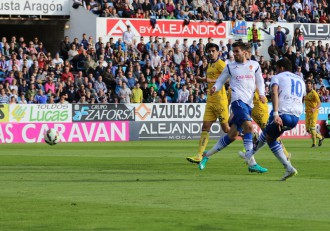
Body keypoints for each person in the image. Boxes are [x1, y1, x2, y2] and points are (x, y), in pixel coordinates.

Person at [198, 42, 267, 173]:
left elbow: (260, 82)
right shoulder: (230, 67)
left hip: (248, 103)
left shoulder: (255, 65)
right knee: (249, 127)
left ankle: (206, 155)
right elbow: (220, 80)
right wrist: (215, 87)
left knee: (232, 135)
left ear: (244, 52)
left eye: (237, 51)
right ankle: (251, 162)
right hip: (238, 102)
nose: (234, 54)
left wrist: (262, 94)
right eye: (233, 51)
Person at [241, 58, 306, 180]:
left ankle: (288, 167)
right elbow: (303, 98)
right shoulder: (300, 80)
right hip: (296, 117)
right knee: (269, 135)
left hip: (282, 113)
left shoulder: (277, 77)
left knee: (269, 138)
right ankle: (249, 155)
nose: (275, 70)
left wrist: (276, 113)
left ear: (281, 68)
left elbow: (275, 93)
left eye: (276, 68)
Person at [186, 43, 230, 164]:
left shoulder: (221, 64)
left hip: (220, 101)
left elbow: (228, 78)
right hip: (210, 100)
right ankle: (199, 155)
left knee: (227, 129)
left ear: (218, 52)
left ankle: (249, 136)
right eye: (209, 51)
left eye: (213, 51)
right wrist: (202, 80)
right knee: (205, 127)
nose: (211, 53)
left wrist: (208, 80)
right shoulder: (209, 64)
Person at [304, 79, 324, 147]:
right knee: (308, 130)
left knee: (312, 128)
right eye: (307, 83)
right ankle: (320, 137)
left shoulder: (314, 93)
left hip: (314, 112)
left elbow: (319, 103)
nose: (308, 84)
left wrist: (314, 108)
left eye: (309, 83)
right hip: (307, 113)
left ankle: (314, 144)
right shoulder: (305, 92)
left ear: (311, 85)